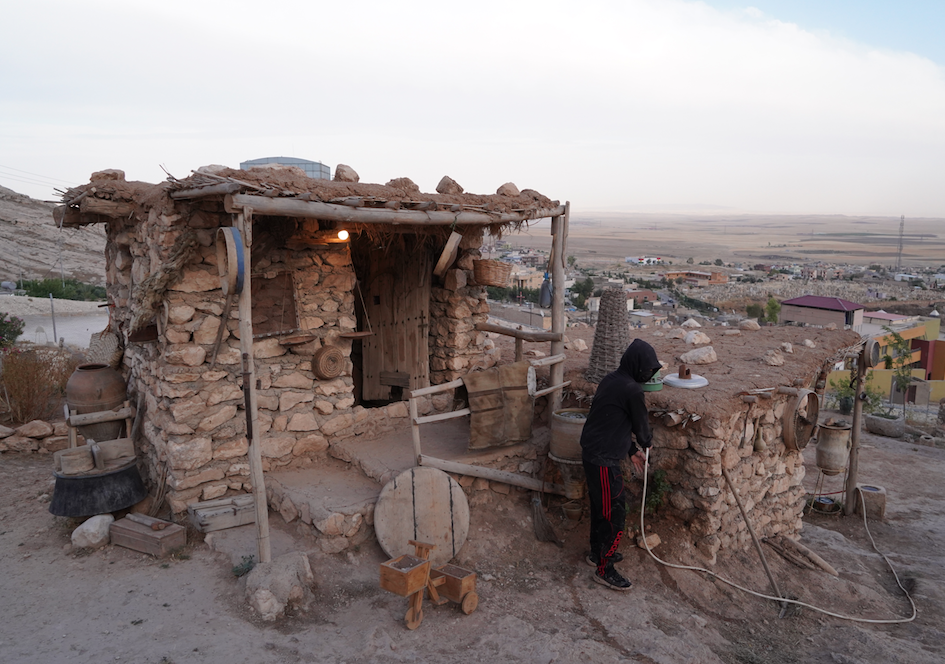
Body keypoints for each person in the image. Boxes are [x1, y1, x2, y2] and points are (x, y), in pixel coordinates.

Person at [580, 339, 661, 591]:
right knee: (615, 514)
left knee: (600, 508)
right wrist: (645, 443)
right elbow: (641, 427)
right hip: (603, 459)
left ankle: (597, 553)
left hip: (593, 451)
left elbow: (611, 421)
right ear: (637, 366)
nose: (648, 375)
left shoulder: (612, 379)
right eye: (647, 370)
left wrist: (631, 450)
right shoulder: (633, 390)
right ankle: (604, 570)